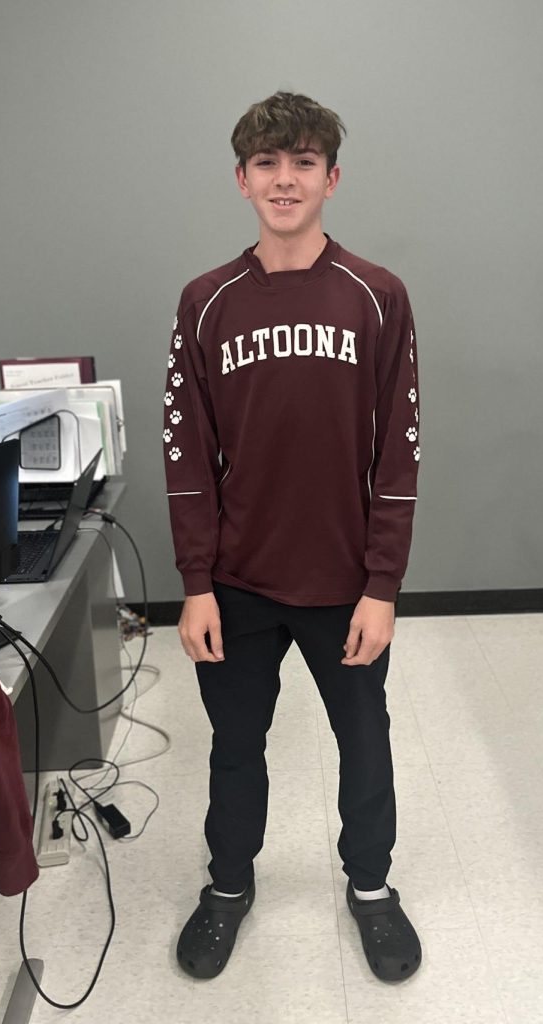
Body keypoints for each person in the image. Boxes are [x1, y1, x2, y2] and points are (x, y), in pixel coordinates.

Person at [162, 90, 421, 983]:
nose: (285, 179)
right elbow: (186, 455)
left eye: (303, 162)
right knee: (234, 747)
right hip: (236, 582)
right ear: (241, 180)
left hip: (345, 579)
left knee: (365, 743)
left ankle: (372, 890)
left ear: (331, 178)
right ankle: (228, 886)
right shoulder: (206, 301)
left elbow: (400, 452)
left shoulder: (376, 296)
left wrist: (382, 586)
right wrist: (195, 581)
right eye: (267, 164)